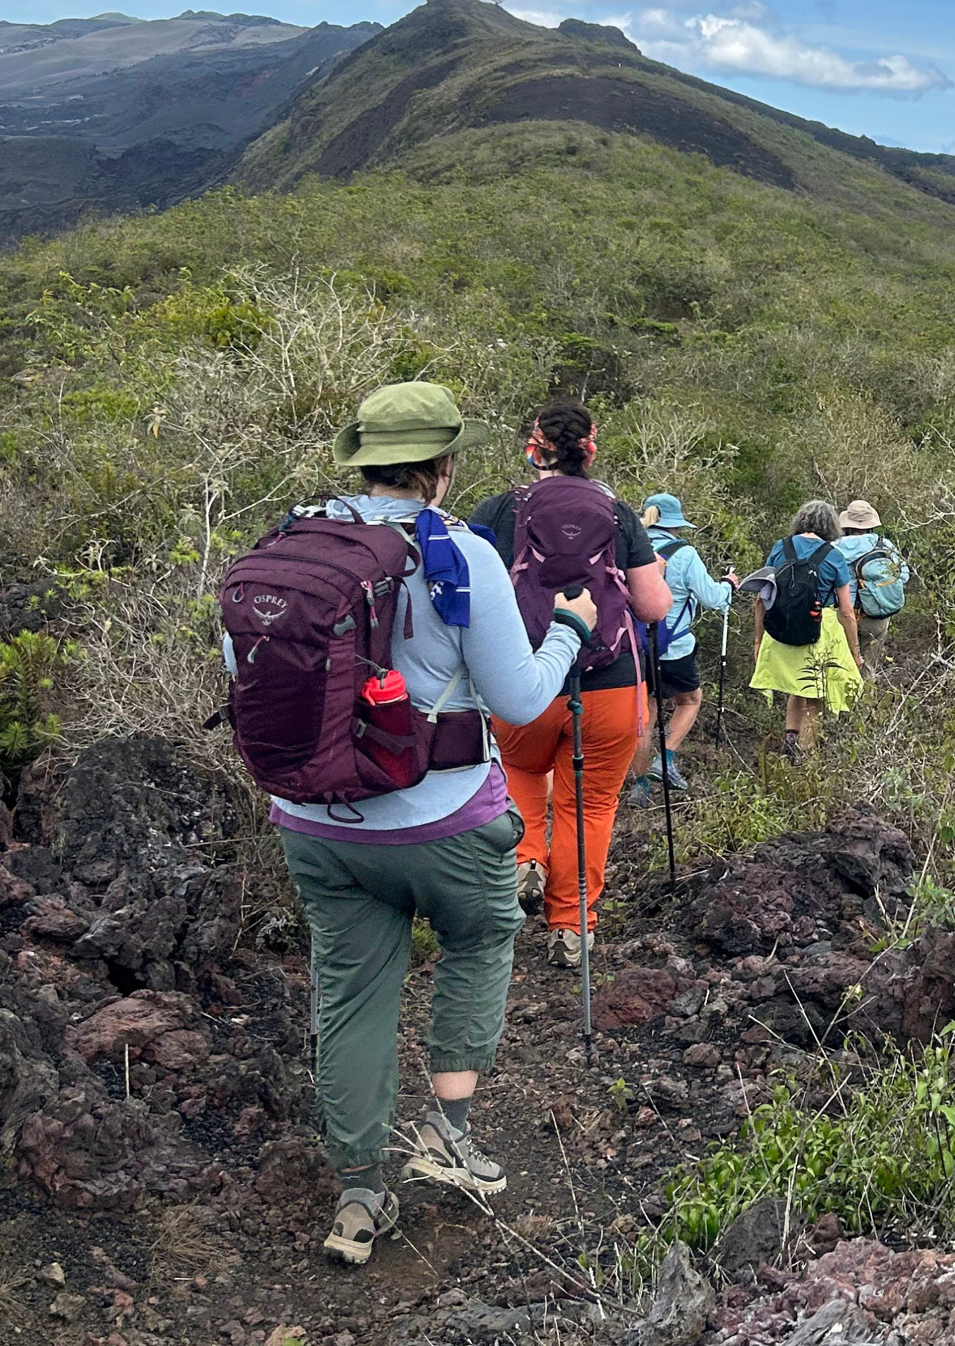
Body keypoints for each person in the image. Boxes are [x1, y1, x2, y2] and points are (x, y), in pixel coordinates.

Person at [224, 381, 600, 1266]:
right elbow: (516, 698)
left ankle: (360, 1192)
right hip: (440, 819)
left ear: (361, 460)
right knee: (482, 935)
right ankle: (448, 1134)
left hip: (312, 820)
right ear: (444, 466)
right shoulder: (457, 553)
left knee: (350, 991)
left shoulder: (279, 547)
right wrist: (571, 631)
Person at [469, 400, 670, 967]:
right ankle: (571, 924)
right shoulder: (619, 513)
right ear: (589, 450)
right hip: (608, 682)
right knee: (591, 805)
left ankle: (525, 858)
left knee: (522, 772)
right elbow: (653, 607)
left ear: (535, 449)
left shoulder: (498, 511)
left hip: (522, 678)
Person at [629, 492, 738, 800]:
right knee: (689, 700)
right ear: (675, 524)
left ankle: (640, 787)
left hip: (635, 649)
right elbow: (715, 599)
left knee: (646, 715)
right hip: (674, 647)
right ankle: (664, 761)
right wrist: (729, 584)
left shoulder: (628, 547)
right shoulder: (684, 553)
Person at [749, 499, 864, 759]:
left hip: (782, 630)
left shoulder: (781, 548)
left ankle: (790, 741)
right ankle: (805, 754)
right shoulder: (833, 556)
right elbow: (846, 610)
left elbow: (761, 598)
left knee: (794, 687)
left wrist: (758, 640)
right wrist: (855, 652)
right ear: (832, 526)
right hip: (818, 632)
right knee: (815, 695)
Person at [830, 499, 907, 673]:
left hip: (843, 616)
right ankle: (867, 699)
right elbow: (903, 576)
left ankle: (844, 700)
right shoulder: (884, 545)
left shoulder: (835, 548)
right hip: (877, 614)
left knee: (841, 669)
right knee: (868, 669)